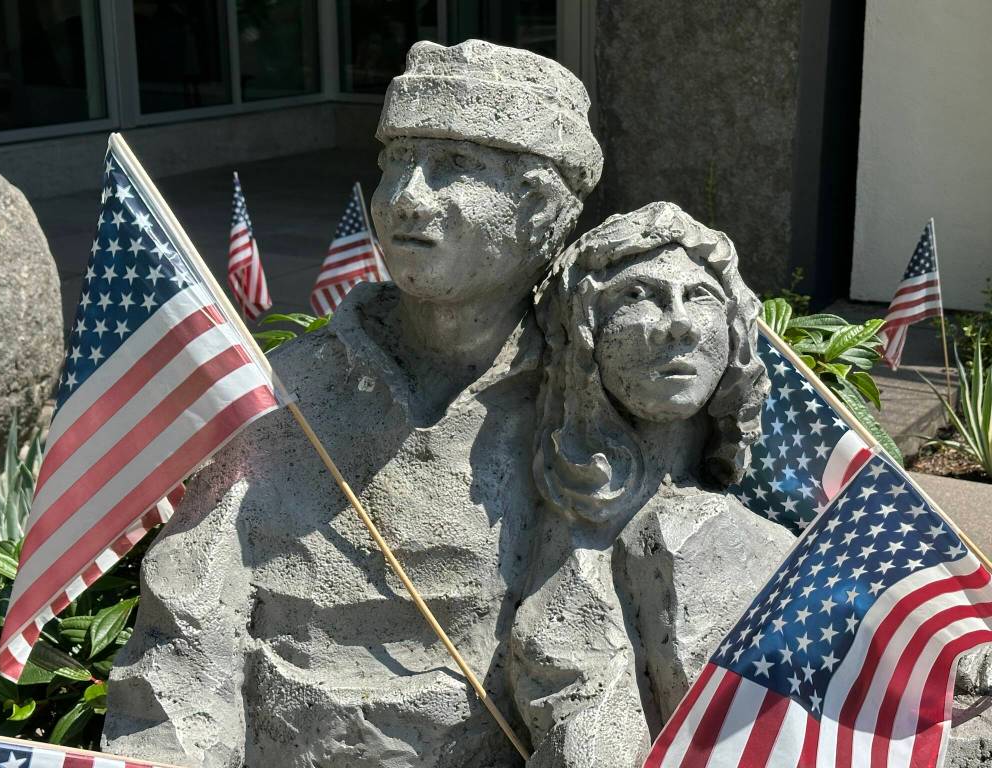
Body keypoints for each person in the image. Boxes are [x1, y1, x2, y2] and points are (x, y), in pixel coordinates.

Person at [102, 40, 600, 767]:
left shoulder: (586, 407)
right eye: (397, 161)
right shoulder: (284, 396)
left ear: (538, 206)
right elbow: (181, 644)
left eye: (452, 165)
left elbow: (600, 670)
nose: (405, 198)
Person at [511, 202, 795, 765]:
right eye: (638, 295)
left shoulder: (755, 532)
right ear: (584, 335)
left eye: (701, 296)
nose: (679, 323)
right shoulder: (555, 526)